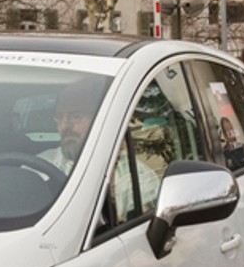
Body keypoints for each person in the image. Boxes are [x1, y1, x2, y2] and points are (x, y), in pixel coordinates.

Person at [40, 78, 159, 213]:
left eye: (76, 116)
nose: (64, 126)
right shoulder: (39, 165)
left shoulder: (134, 178)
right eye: (59, 117)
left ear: (100, 119)